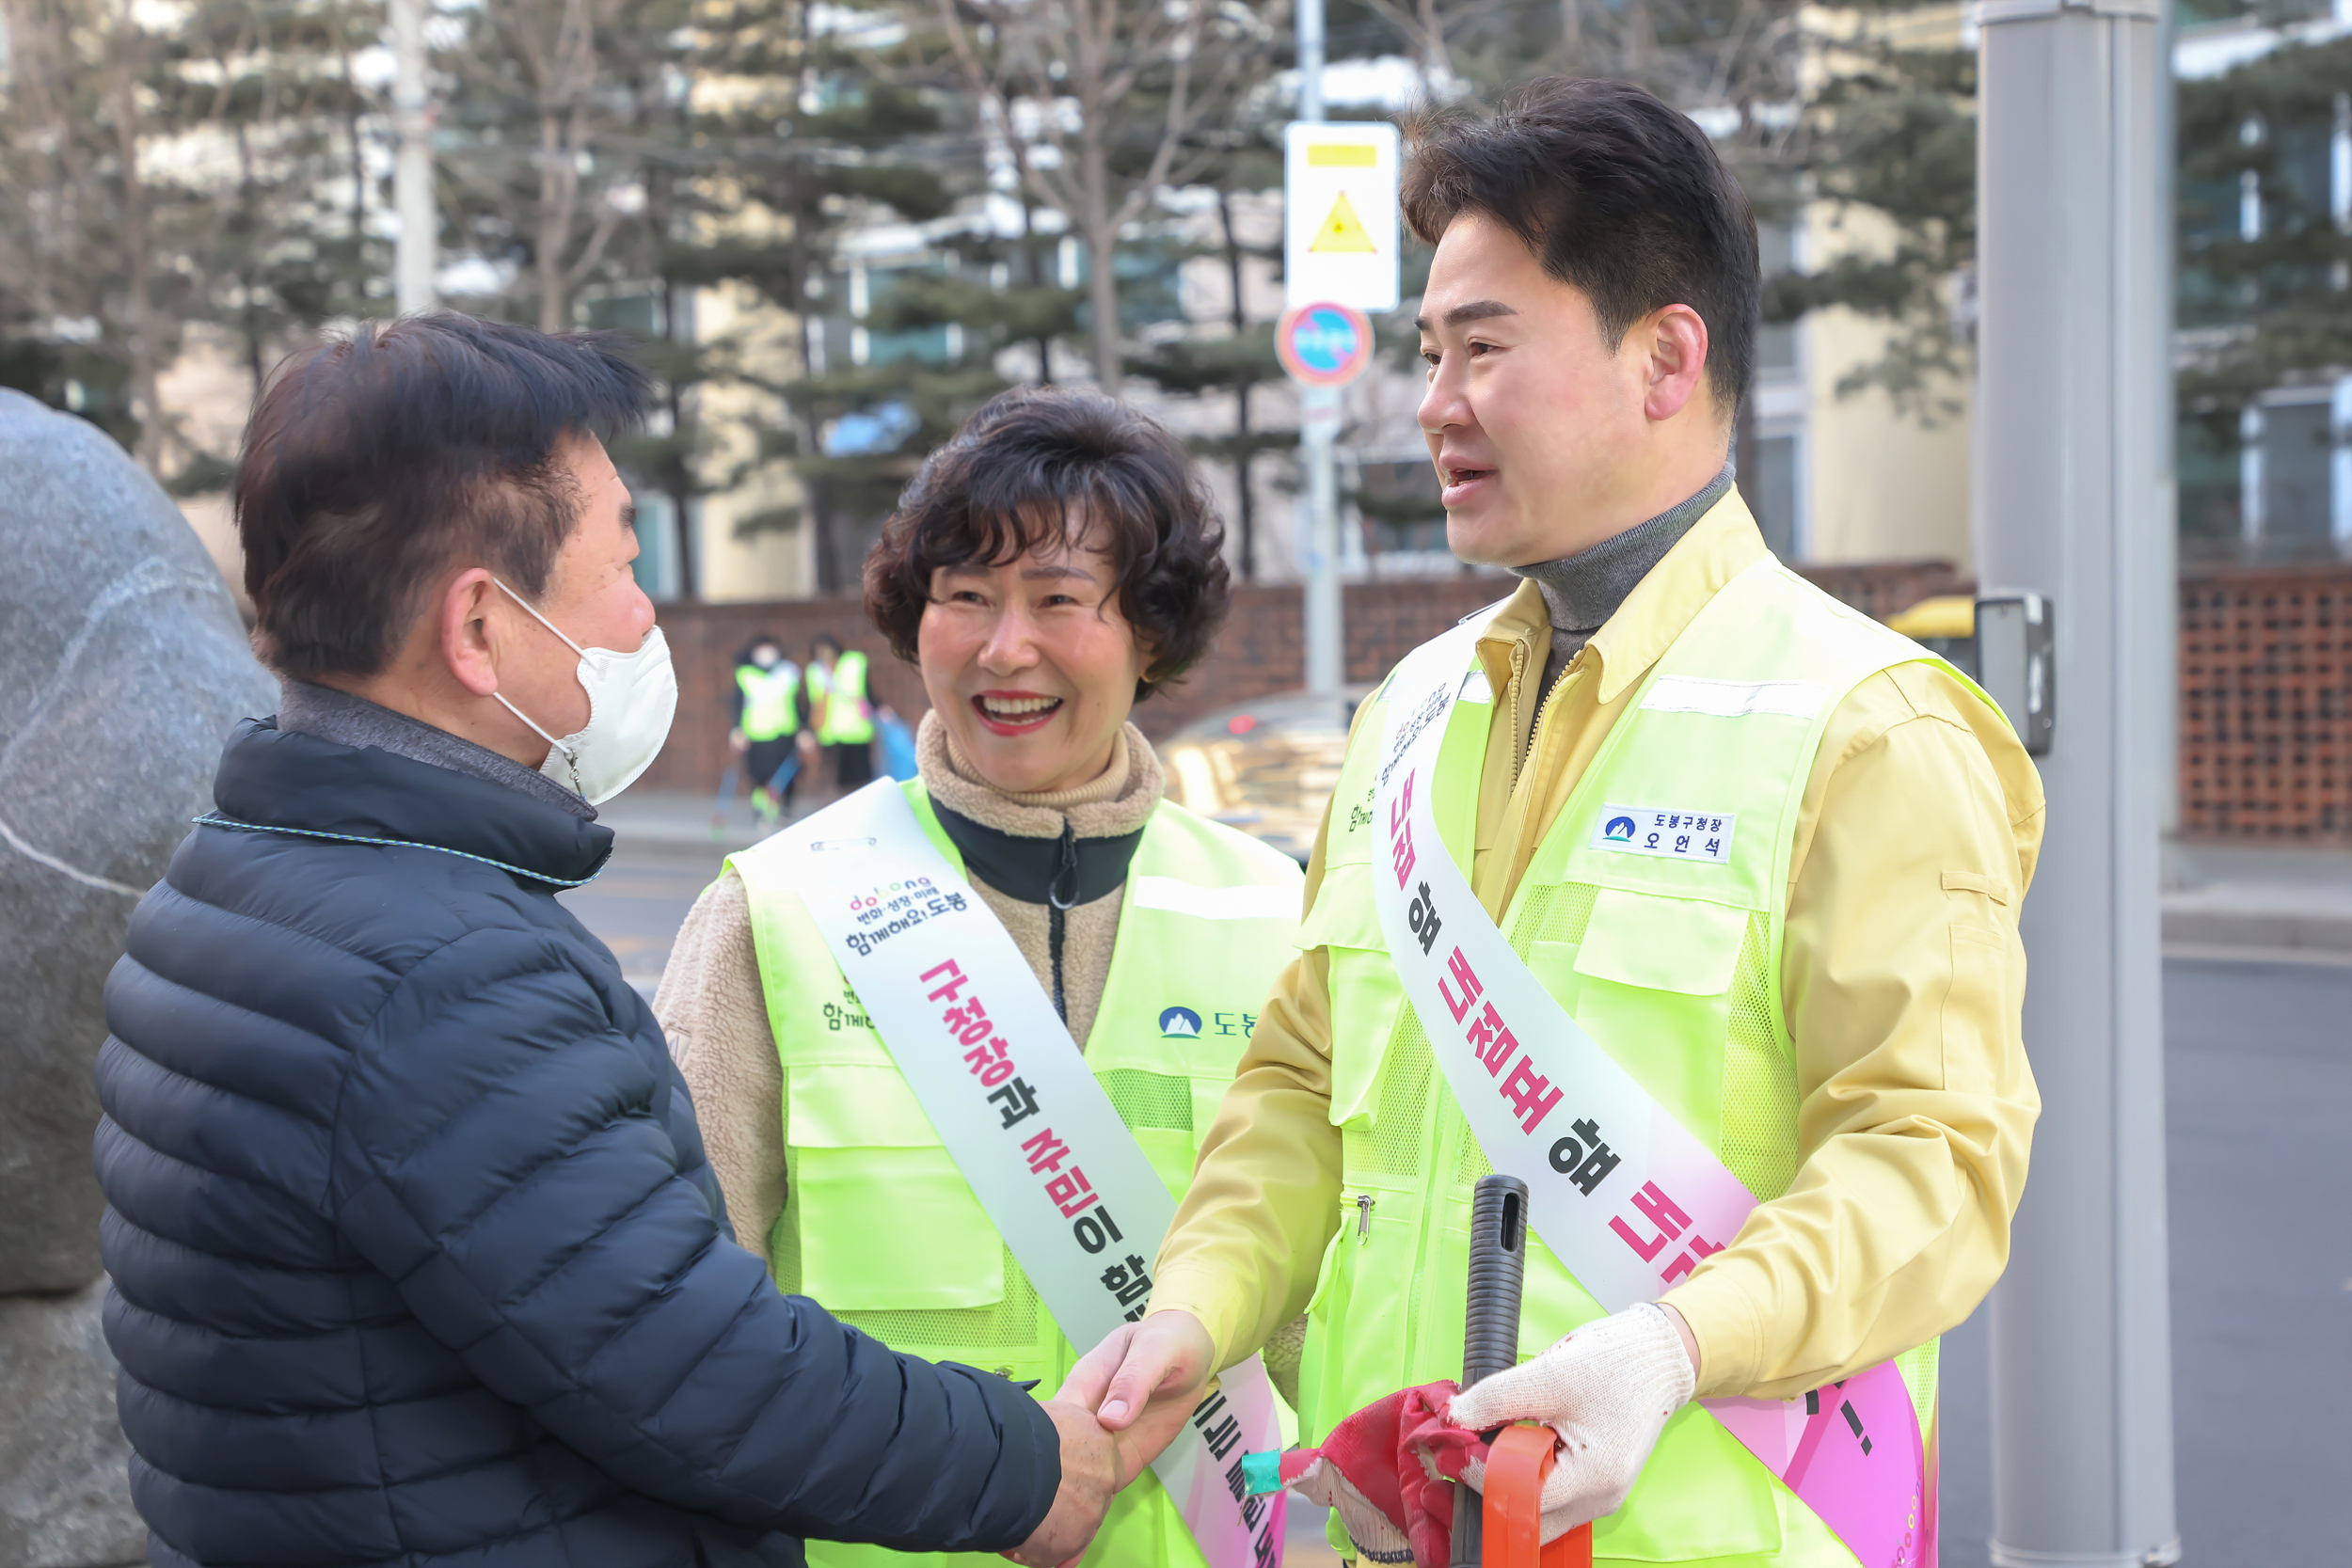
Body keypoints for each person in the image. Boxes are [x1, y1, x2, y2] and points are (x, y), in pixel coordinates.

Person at [1066, 78, 2043, 1565]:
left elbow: (1933, 1157)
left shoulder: (1865, 719)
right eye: (1426, 351)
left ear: (1665, 356)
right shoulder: (1407, 712)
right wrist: (1199, 1304)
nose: (1435, 401)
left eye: (1483, 348)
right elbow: (1297, 1081)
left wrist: (1676, 1342)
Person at [91, 315, 1127, 1568]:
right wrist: (1025, 1462)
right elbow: (699, 1371)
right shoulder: (444, 974)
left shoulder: (241, 874)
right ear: (479, 629)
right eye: (623, 557)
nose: (643, 610)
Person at [656, 386, 1308, 1568]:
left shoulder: (1279, 913)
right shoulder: (779, 908)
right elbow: (681, 1328)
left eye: (1058, 600)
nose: (1006, 649)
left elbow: (1337, 1304)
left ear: (1149, 634)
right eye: (965, 598)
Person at [733, 632, 809, 821]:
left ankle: (786, 808)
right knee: (759, 774)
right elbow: (736, 704)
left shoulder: (788, 672)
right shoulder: (745, 675)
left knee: (787, 773)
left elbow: (798, 703)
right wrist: (736, 729)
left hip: (785, 731)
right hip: (757, 733)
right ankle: (761, 810)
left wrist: (804, 729)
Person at [808, 630, 877, 793]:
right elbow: (814, 703)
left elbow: (868, 690)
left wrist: (879, 708)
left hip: (857, 731)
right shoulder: (815, 671)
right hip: (830, 734)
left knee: (861, 780)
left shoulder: (855, 663)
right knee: (837, 782)